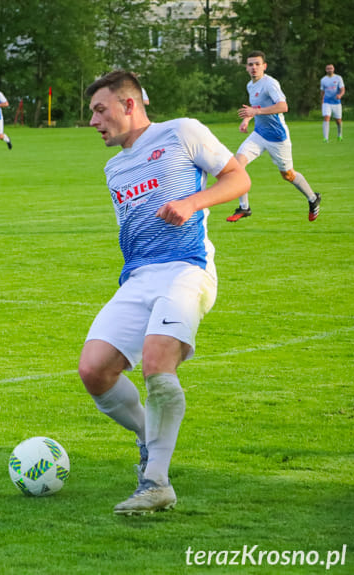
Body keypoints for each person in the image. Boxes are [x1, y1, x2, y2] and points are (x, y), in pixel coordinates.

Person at [81, 70, 250, 515]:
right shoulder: (113, 167)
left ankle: (156, 482)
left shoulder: (182, 131)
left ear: (129, 104)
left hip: (187, 269)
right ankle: (147, 435)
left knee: (158, 363)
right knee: (94, 371)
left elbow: (238, 180)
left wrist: (192, 203)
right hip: (139, 278)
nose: (94, 121)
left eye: (100, 110)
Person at [226, 50, 321, 222]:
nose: (254, 67)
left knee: (288, 175)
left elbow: (283, 106)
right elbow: (256, 106)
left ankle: (313, 199)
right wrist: (247, 119)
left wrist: (255, 111)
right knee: (237, 165)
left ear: (264, 66)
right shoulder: (250, 85)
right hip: (259, 134)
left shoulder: (270, 84)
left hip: (277, 138)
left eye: (257, 64)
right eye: (250, 64)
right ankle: (244, 208)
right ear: (246, 67)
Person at [320, 64, 345, 143]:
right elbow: (322, 92)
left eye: (331, 68)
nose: (329, 70)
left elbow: (342, 89)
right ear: (326, 70)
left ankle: (339, 135)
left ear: (333, 69)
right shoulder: (323, 80)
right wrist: (322, 101)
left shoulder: (338, 78)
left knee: (338, 120)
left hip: (336, 103)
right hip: (327, 102)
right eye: (328, 68)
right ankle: (325, 138)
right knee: (326, 117)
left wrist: (340, 95)